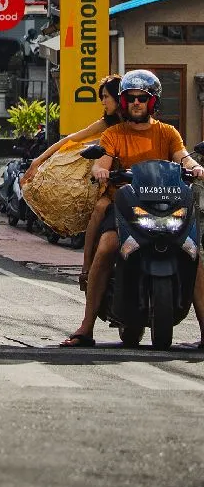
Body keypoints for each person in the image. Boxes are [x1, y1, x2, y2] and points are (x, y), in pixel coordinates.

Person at [62, 69, 204, 346]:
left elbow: (183, 157)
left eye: (143, 98)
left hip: (167, 209)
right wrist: (101, 170)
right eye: (131, 98)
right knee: (107, 246)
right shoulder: (114, 134)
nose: (137, 103)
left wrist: (196, 167)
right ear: (124, 103)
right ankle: (86, 326)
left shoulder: (168, 132)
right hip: (126, 209)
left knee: (194, 254)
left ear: (153, 102)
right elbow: (102, 161)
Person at [21, 74, 121, 290]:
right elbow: (72, 139)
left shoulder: (147, 126)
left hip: (140, 189)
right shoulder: (108, 125)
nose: (103, 102)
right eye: (101, 97)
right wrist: (37, 162)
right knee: (99, 210)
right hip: (111, 186)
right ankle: (86, 269)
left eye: (106, 97)